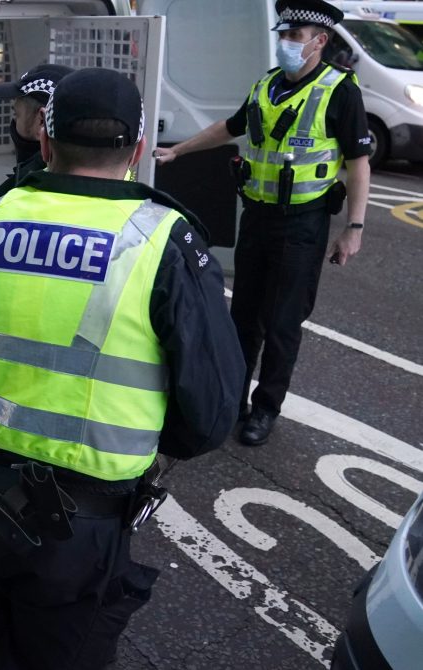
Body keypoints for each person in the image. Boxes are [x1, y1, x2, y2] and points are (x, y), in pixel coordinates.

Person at [0, 68, 245, 668]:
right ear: (136, 150)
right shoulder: (164, 242)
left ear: (46, 142)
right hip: (83, 516)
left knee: (1, 619)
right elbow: (211, 415)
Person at [154, 0, 370, 446]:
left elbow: (359, 162)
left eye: (294, 36)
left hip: (303, 224)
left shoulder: (339, 90)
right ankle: (233, 399)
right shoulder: (267, 85)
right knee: (243, 317)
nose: (285, 43)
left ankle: (266, 408)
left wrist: (354, 228)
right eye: (283, 35)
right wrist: (178, 151)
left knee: (283, 321)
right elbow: (230, 127)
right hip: (257, 216)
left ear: (320, 41)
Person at [0, 61, 73, 199]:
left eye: (17, 114)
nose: (14, 123)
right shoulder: (110, 180)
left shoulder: (19, 199)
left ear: (41, 122)